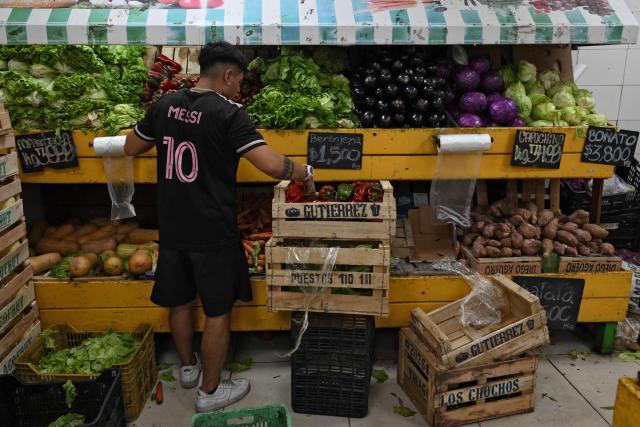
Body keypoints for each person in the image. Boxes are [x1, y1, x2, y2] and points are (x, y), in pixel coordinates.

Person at [124, 41, 315, 412]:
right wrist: (304, 172)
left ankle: (188, 370)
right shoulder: (229, 113)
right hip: (212, 229)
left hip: (173, 225)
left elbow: (132, 147)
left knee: (179, 301)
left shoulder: (164, 105)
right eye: (239, 81)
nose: (239, 89)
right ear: (228, 75)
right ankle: (210, 394)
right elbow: (272, 166)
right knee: (216, 310)